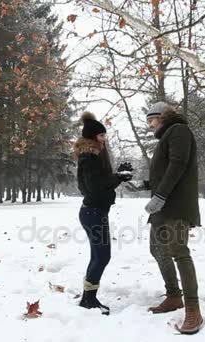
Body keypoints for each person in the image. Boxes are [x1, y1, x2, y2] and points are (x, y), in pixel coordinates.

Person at [144, 102, 204, 334]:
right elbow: (164, 173)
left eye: (151, 120)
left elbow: (178, 166)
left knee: (179, 252)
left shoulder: (179, 130)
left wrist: (159, 196)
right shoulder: (166, 137)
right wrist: (142, 185)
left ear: (161, 116)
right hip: (163, 207)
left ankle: (193, 309)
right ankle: (173, 296)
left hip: (177, 206)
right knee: (157, 248)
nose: (150, 126)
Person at [73, 111, 133, 315]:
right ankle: (88, 299)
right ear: (92, 137)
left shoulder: (93, 155)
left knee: (98, 256)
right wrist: (117, 177)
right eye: (101, 136)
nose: (104, 139)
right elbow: (94, 186)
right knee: (102, 256)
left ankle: (88, 298)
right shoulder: (89, 156)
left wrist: (119, 175)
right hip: (93, 213)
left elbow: (99, 182)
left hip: (95, 212)